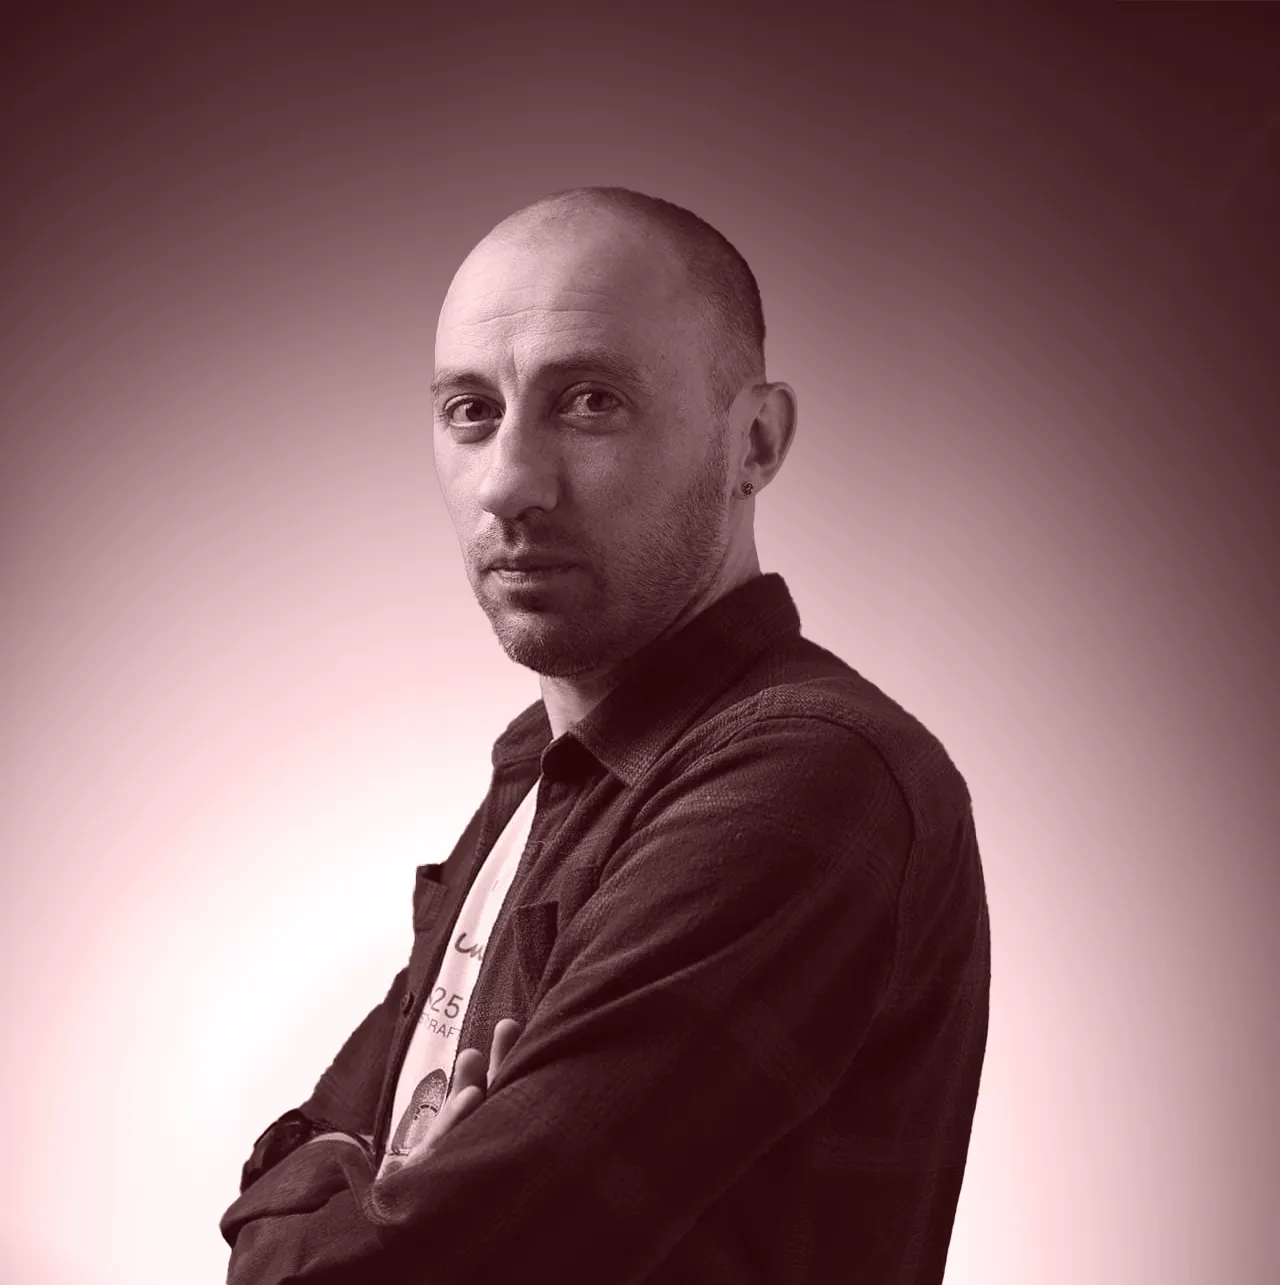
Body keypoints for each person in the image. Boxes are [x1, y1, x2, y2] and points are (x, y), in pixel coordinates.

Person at [219, 186, 991, 1284]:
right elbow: (314, 1152)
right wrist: (350, 1180)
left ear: (755, 440)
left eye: (590, 402)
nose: (509, 483)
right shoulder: (542, 763)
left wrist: (347, 1192)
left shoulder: (811, 777)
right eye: (470, 410)